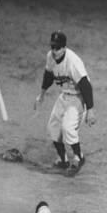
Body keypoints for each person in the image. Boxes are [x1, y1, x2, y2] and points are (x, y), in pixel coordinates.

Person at [34, 31, 96, 176]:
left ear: (64, 47)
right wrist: (41, 95)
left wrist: (91, 110)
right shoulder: (50, 56)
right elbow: (48, 76)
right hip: (64, 96)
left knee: (68, 128)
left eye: (57, 48)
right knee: (53, 128)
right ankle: (63, 160)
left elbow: (86, 85)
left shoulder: (72, 62)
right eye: (52, 47)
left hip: (78, 97)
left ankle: (79, 157)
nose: (54, 51)